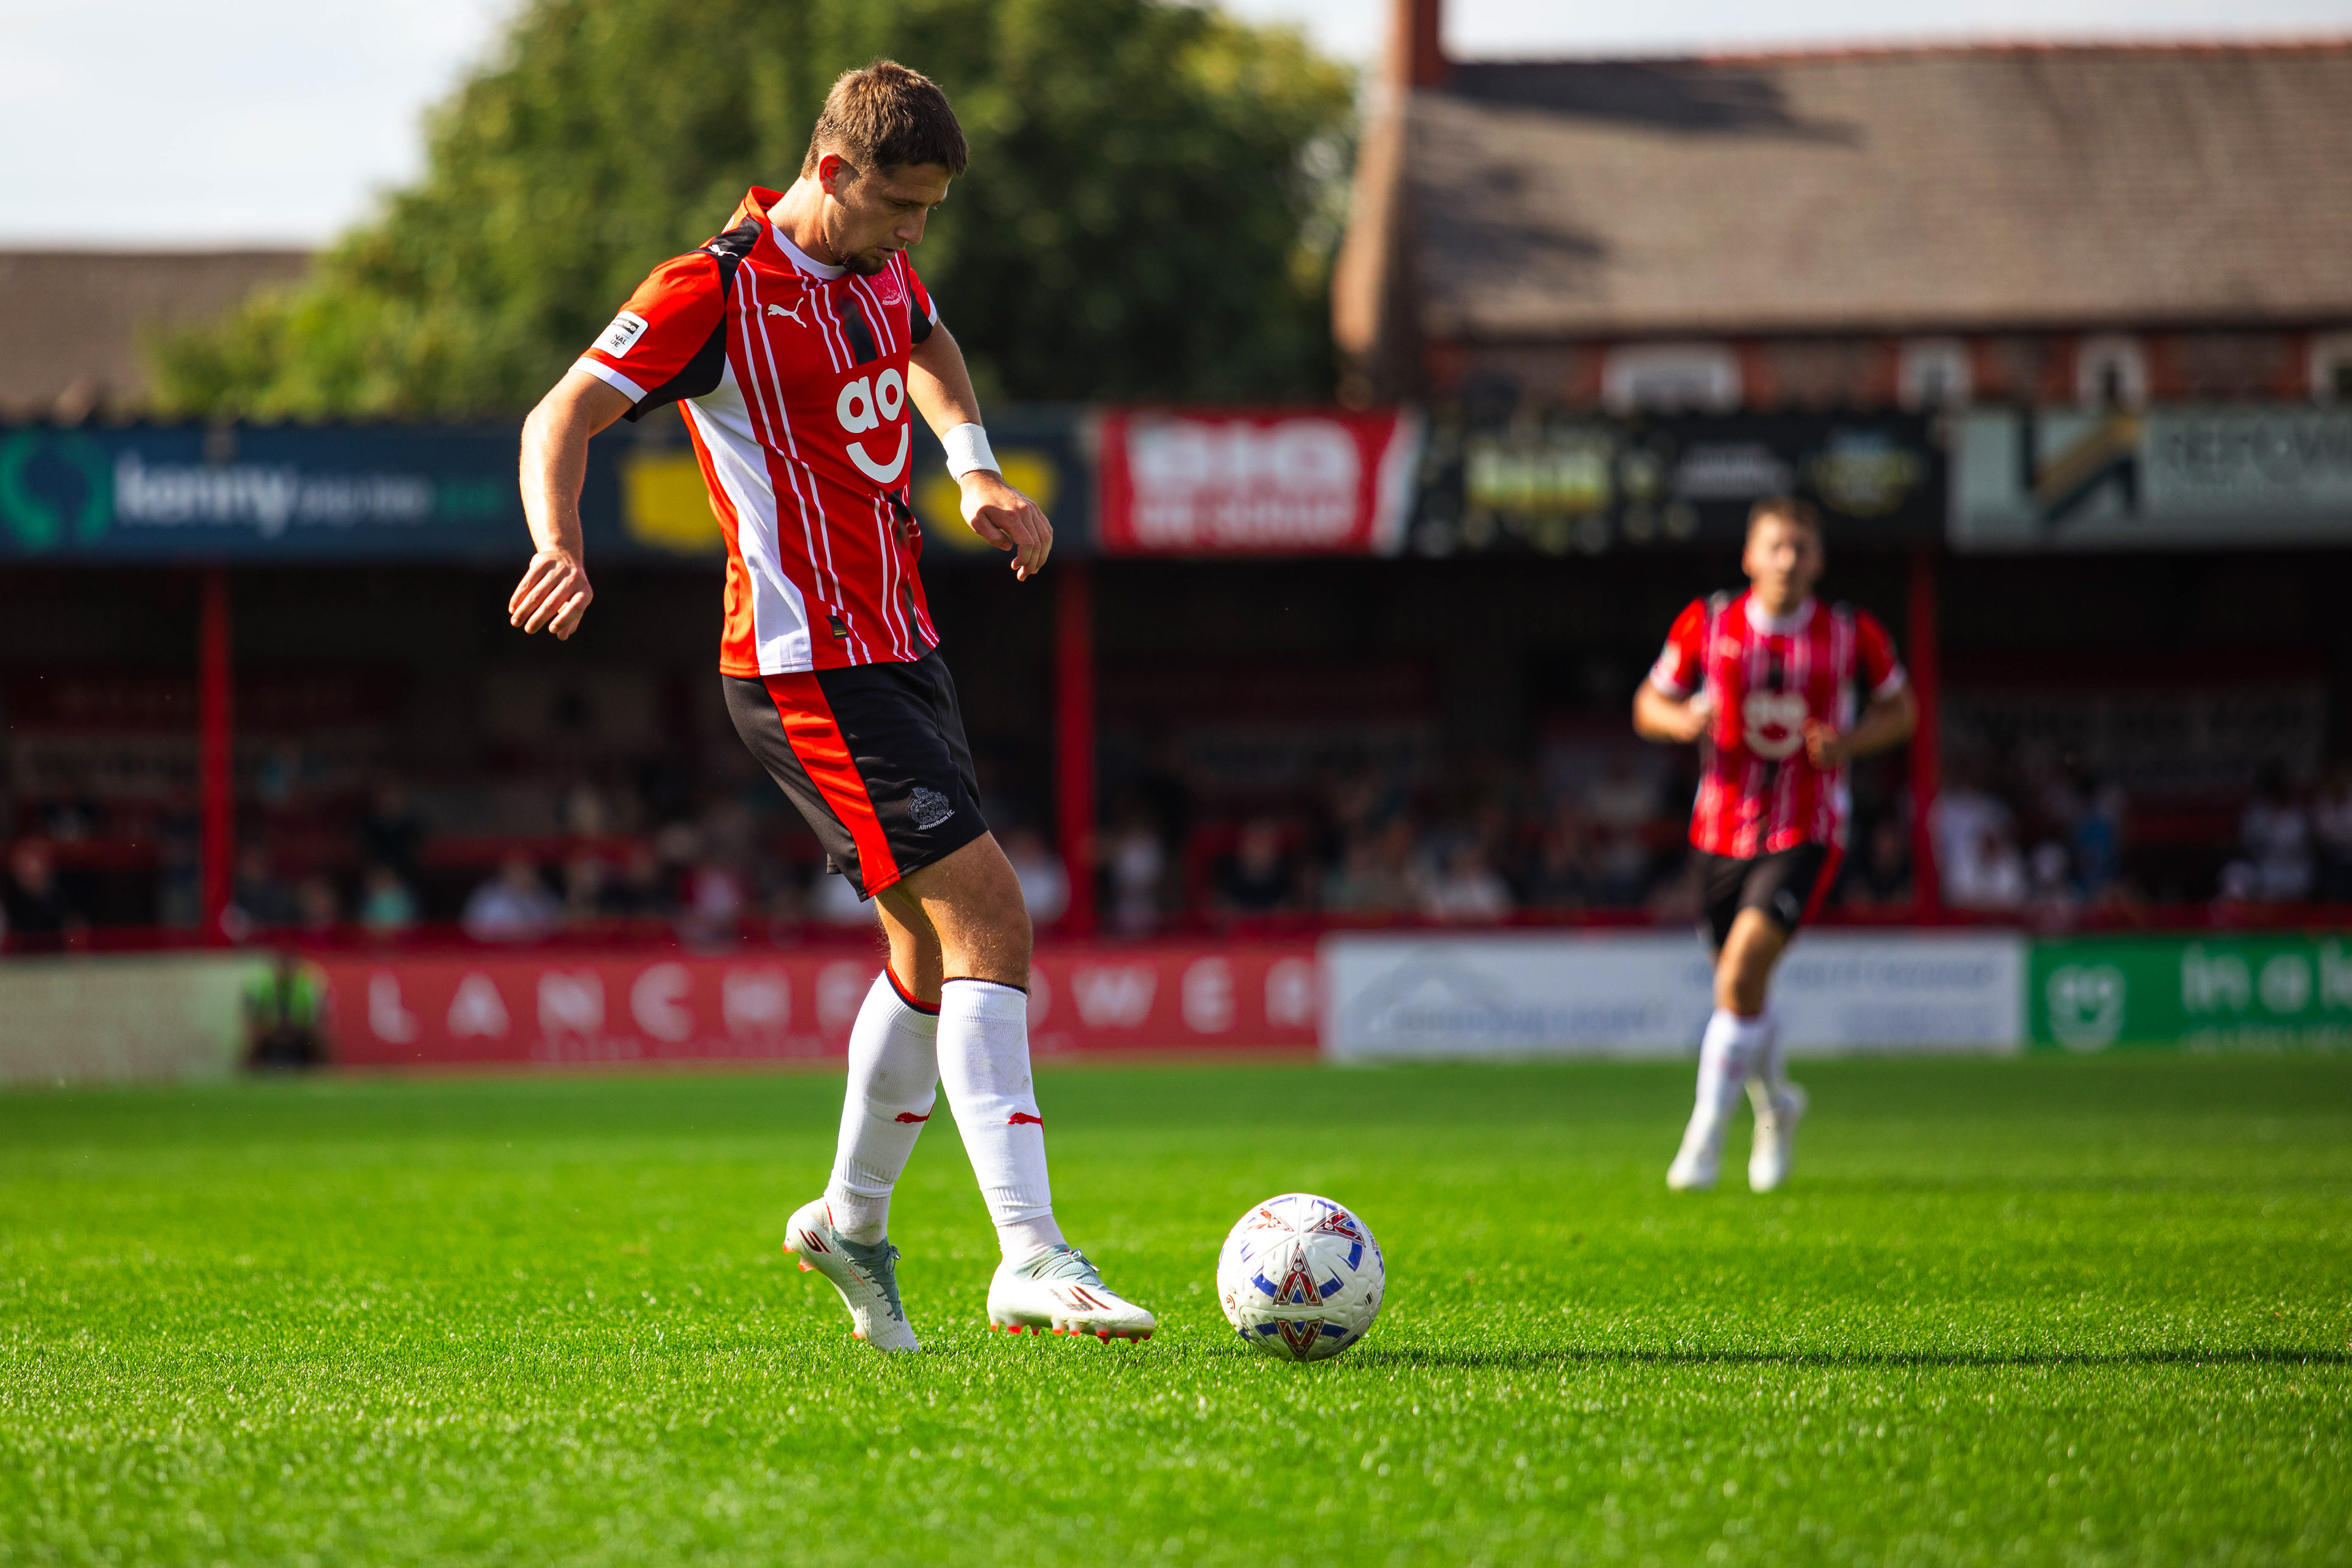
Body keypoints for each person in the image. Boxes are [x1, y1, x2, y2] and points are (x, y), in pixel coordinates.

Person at [503, 61, 1150, 1350]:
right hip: (806, 666)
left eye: (932, 213)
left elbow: (928, 339)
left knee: (925, 955)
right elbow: (560, 411)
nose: (916, 234)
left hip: (901, 644)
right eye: (901, 204)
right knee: (993, 912)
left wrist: (974, 470)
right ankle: (1029, 1250)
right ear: (834, 171)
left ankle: (851, 1224)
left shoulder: (880, 271)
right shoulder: (715, 288)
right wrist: (558, 541)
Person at [1634, 497, 1917, 1193]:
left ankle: (1701, 1145)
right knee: (1745, 987)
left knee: (1738, 975)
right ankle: (1778, 1106)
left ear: (1818, 560)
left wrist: (1848, 743)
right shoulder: (1710, 623)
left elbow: (1903, 711)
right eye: (1775, 546)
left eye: (1800, 548)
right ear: (1750, 557)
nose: (1787, 559)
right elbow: (1648, 704)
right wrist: (1683, 719)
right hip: (1718, 832)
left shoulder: (1852, 635)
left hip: (1807, 828)